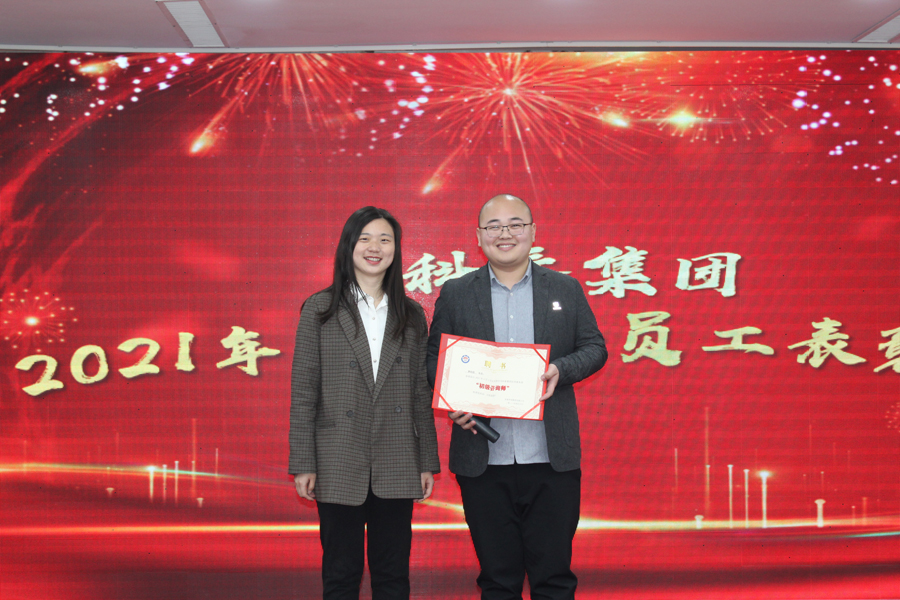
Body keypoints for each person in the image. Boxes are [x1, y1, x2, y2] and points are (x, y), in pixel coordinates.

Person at [427, 194, 607, 600]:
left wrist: (561, 370)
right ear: (479, 236)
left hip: (550, 458)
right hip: (482, 458)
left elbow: (595, 348)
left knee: (554, 580)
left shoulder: (565, 288)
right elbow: (432, 358)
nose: (504, 234)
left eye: (515, 224)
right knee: (497, 581)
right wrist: (453, 400)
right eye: (493, 226)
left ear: (532, 232)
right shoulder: (457, 292)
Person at [289, 206, 440, 600]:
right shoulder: (319, 309)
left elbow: (420, 394)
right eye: (365, 238)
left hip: (397, 459)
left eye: (385, 240)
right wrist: (304, 462)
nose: (375, 247)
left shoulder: (411, 315)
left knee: (392, 576)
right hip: (337, 458)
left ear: (395, 250)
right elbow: (303, 392)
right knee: (341, 575)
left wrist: (426, 461)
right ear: (348, 246)